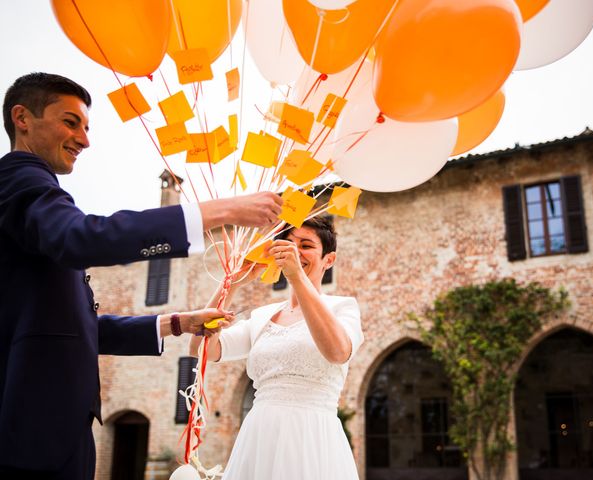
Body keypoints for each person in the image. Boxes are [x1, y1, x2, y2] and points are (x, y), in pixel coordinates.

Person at [0, 72, 282, 479]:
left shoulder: (34, 190)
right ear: (22, 118)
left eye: (86, 126)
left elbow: (76, 328)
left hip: (56, 430)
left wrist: (177, 323)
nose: (84, 139)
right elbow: (82, 238)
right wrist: (219, 212)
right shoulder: (19, 179)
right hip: (34, 432)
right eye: (70, 121)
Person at [189, 215, 364, 479]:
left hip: (311, 435)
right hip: (260, 435)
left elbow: (337, 352)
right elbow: (202, 349)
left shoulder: (342, 307)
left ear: (329, 260)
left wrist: (297, 277)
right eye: (289, 242)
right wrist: (232, 283)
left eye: (305, 245)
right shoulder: (261, 316)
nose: (294, 250)